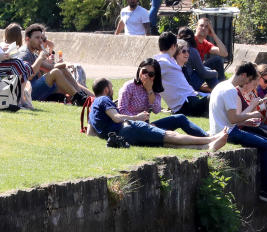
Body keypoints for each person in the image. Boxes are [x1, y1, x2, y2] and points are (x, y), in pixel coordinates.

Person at [209, 62, 267, 206]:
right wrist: (252, 114)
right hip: (228, 132)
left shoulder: (221, 86)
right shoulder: (230, 90)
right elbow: (233, 119)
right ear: (244, 75)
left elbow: (231, 117)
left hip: (222, 129)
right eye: (249, 79)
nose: (249, 83)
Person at [89, 78, 228, 150]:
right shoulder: (103, 100)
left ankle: (206, 147)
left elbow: (90, 133)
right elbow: (116, 117)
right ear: (107, 89)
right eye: (112, 87)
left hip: (124, 136)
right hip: (129, 128)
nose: (113, 89)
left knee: (164, 142)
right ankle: (210, 139)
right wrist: (136, 118)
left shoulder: (92, 107)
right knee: (169, 135)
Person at [14, 24, 91, 105]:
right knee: (56, 72)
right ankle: (78, 98)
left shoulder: (33, 53)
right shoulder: (24, 54)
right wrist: (40, 57)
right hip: (28, 92)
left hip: (34, 88)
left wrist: (64, 64)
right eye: (37, 38)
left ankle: (81, 95)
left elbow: (51, 67)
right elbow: (27, 76)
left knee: (61, 69)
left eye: (41, 38)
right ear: (27, 39)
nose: (40, 41)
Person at [154, 32, 210, 117]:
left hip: (190, 102)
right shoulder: (162, 62)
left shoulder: (167, 61)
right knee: (219, 94)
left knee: (217, 95)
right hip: (187, 105)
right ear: (173, 46)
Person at [177, 27, 218, 92]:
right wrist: (215, 73)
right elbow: (203, 73)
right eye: (184, 51)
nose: (186, 53)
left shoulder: (174, 48)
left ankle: (209, 88)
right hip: (186, 81)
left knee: (206, 68)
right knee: (209, 70)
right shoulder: (191, 50)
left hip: (179, 79)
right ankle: (216, 91)